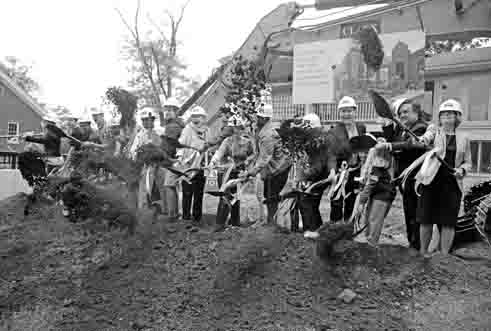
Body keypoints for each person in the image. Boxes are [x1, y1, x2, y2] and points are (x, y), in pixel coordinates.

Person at [416, 99, 471, 256]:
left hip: (452, 184)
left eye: (451, 114)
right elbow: (427, 136)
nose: (447, 117)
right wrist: (424, 139)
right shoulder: (435, 131)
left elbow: (468, 163)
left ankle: (444, 256)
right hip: (431, 181)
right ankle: (423, 253)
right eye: (444, 114)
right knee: (426, 218)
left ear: (457, 117)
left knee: (448, 221)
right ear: (439, 118)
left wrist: (462, 170)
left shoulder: (464, 138)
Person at [376, 98, 428, 250]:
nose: (402, 115)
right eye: (400, 113)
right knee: (408, 211)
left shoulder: (421, 128)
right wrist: (386, 129)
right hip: (403, 179)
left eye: (406, 111)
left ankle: (418, 246)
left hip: (417, 179)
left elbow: (408, 145)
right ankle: (411, 243)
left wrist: (389, 145)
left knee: (418, 213)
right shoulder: (401, 128)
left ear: (416, 113)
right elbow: (392, 140)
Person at [240, 104, 292, 225]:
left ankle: (272, 224)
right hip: (273, 167)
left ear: (265, 119)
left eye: (259, 117)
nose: (256, 118)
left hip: (279, 168)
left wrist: (251, 172)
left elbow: (264, 159)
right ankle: (270, 221)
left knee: (271, 196)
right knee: (268, 195)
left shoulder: (268, 134)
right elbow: (260, 153)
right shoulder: (261, 130)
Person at [208, 115, 254, 232]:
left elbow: (253, 154)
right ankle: (220, 224)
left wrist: (247, 161)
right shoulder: (227, 141)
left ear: (241, 128)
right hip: (225, 172)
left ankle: (235, 221)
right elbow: (219, 152)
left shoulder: (247, 142)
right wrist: (213, 161)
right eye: (233, 128)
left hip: (239, 173)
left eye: (238, 127)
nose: (236, 130)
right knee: (225, 196)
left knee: (236, 197)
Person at [297, 113, 337, 238]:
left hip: (320, 175)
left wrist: (306, 175)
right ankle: (314, 228)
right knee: (309, 202)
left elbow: (319, 164)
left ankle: (312, 230)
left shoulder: (320, 140)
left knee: (307, 200)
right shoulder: (312, 138)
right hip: (316, 174)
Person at [352, 136, 396, 247]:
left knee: (374, 220)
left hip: (384, 194)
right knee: (368, 217)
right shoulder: (372, 165)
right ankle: (368, 242)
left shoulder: (380, 165)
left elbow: (370, 185)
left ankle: (372, 244)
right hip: (375, 193)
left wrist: (361, 202)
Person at [329, 96, 366, 223]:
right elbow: (331, 154)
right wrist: (333, 171)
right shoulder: (334, 131)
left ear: (355, 111)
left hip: (356, 170)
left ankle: (348, 228)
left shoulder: (361, 128)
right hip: (341, 171)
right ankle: (335, 228)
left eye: (349, 111)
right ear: (339, 113)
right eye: (343, 111)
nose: (346, 114)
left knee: (352, 199)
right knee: (336, 202)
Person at [177, 106, 208, 223]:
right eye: (194, 116)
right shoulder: (187, 129)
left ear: (204, 118)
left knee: (199, 193)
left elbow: (211, 146)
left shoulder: (207, 131)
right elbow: (180, 145)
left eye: (198, 116)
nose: (196, 119)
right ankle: (185, 217)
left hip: (201, 166)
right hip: (188, 166)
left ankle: (197, 217)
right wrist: (180, 158)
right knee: (187, 192)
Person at [129, 107, 164, 212]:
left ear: (153, 120)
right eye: (143, 120)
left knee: (162, 188)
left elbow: (166, 148)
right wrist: (138, 153)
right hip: (146, 167)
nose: (145, 122)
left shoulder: (161, 132)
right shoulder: (139, 135)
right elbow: (133, 151)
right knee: (145, 189)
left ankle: (165, 211)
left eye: (147, 119)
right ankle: (144, 210)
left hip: (161, 165)